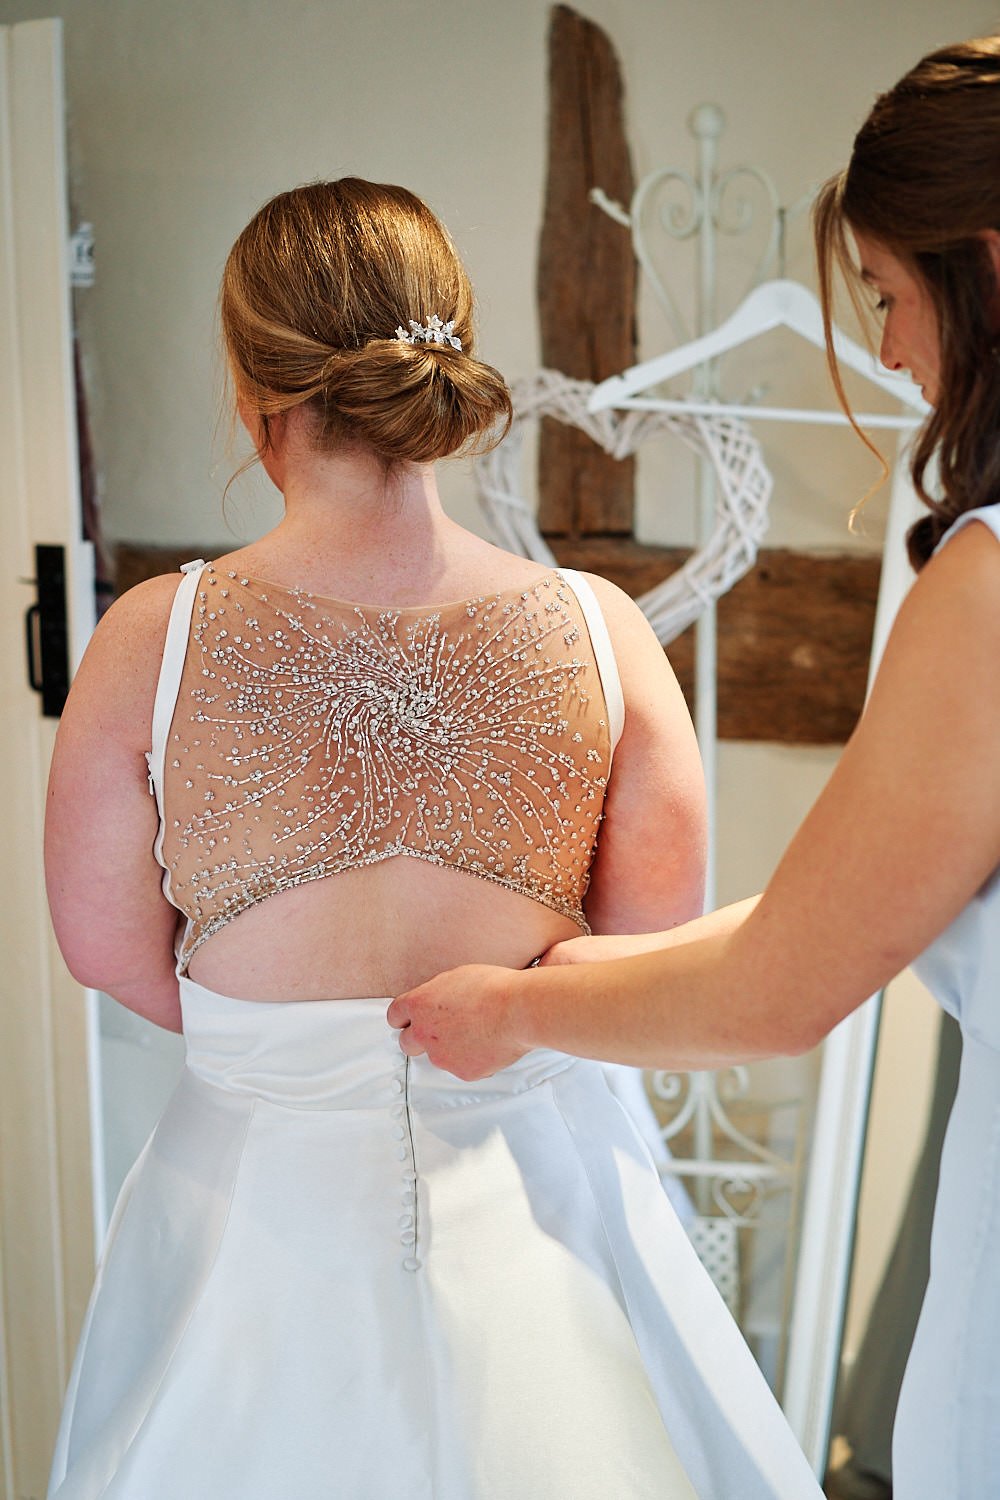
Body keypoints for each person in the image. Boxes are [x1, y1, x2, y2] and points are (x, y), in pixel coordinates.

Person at [44, 178, 821, 1499]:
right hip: (544, 1190)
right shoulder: (603, 633)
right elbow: (651, 955)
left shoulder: (147, 642)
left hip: (250, 1213)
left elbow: (108, 949)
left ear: (253, 390)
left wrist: (286, 1059)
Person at [389, 37, 1000, 1500]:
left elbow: (782, 988)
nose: (895, 352)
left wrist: (520, 1015)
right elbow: (818, 924)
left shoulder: (986, 587)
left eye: (891, 300)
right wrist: (556, 986)